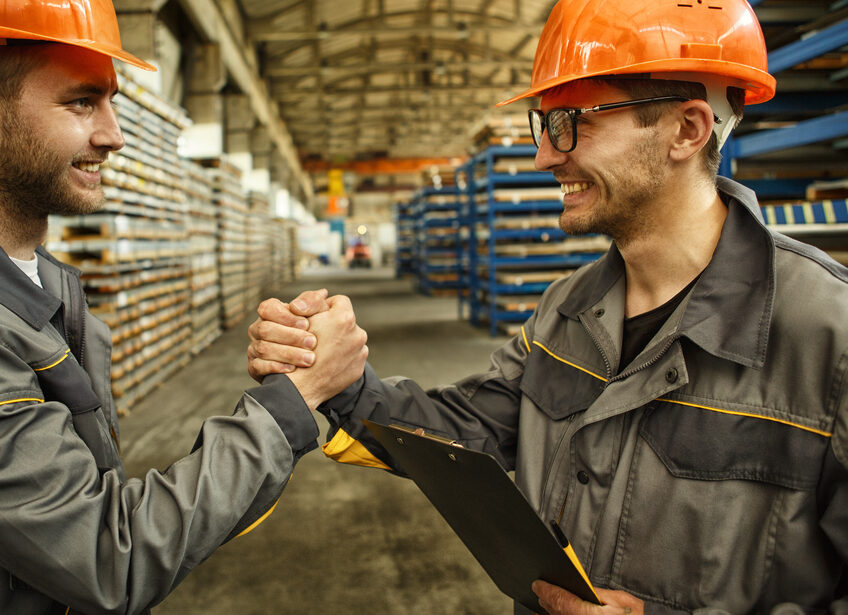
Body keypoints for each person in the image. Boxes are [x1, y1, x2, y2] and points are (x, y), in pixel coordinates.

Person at [248, 0, 848, 612]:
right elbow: (470, 431)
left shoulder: (830, 337)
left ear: (687, 130)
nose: (545, 156)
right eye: (544, 124)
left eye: (571, 122)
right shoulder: (567, 309)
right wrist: (338, 377)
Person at [0, 1, 367, 612]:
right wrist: (296, 397)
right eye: (81, 102)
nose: (113, 135)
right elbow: (108, 558)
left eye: (111, 103)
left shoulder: (29, 282)